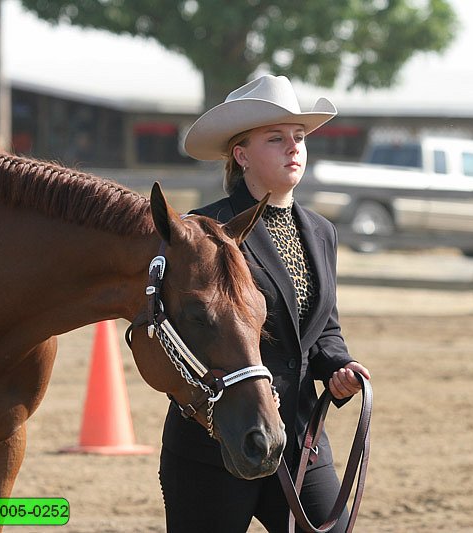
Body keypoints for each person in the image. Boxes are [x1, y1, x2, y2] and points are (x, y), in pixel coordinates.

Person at [158, 74, 371, 532]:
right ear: (242, 155)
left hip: (298, 441)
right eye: (276, 139)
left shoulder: (320, 232)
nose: (294, 147)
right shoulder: (204, 231)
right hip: (214, 446)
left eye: (298, 137)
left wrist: (338, 367)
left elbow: (320, 328)